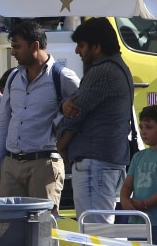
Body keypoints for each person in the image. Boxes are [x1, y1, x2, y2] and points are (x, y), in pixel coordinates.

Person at [0, 20, 79, 214]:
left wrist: (60, 120)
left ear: (35, 45)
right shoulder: (13, 77)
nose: (13, 52)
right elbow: (3, 122)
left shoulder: (63, 76)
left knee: (44, 229)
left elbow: (82, 111)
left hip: (44, 164)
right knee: (10, 228)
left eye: (17, 47)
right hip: (11, 165)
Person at [57, 17, 134, 223]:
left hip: (94, 163)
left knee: (96, 238)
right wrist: (65, 106)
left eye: (81, 46)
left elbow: (76, 114)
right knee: (103, 235)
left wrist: (61, 144)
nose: (77, 52)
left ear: (97, 47)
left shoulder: (103, 71)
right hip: (107, 160)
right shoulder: (119, 68)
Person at [121, 105, 157, 238]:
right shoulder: (138, 156)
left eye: (149, 127)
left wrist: (145, 204)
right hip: (137, 220)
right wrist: (125, 200)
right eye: (141, 127)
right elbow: (127, 185)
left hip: (154, 221)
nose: (143, 132)